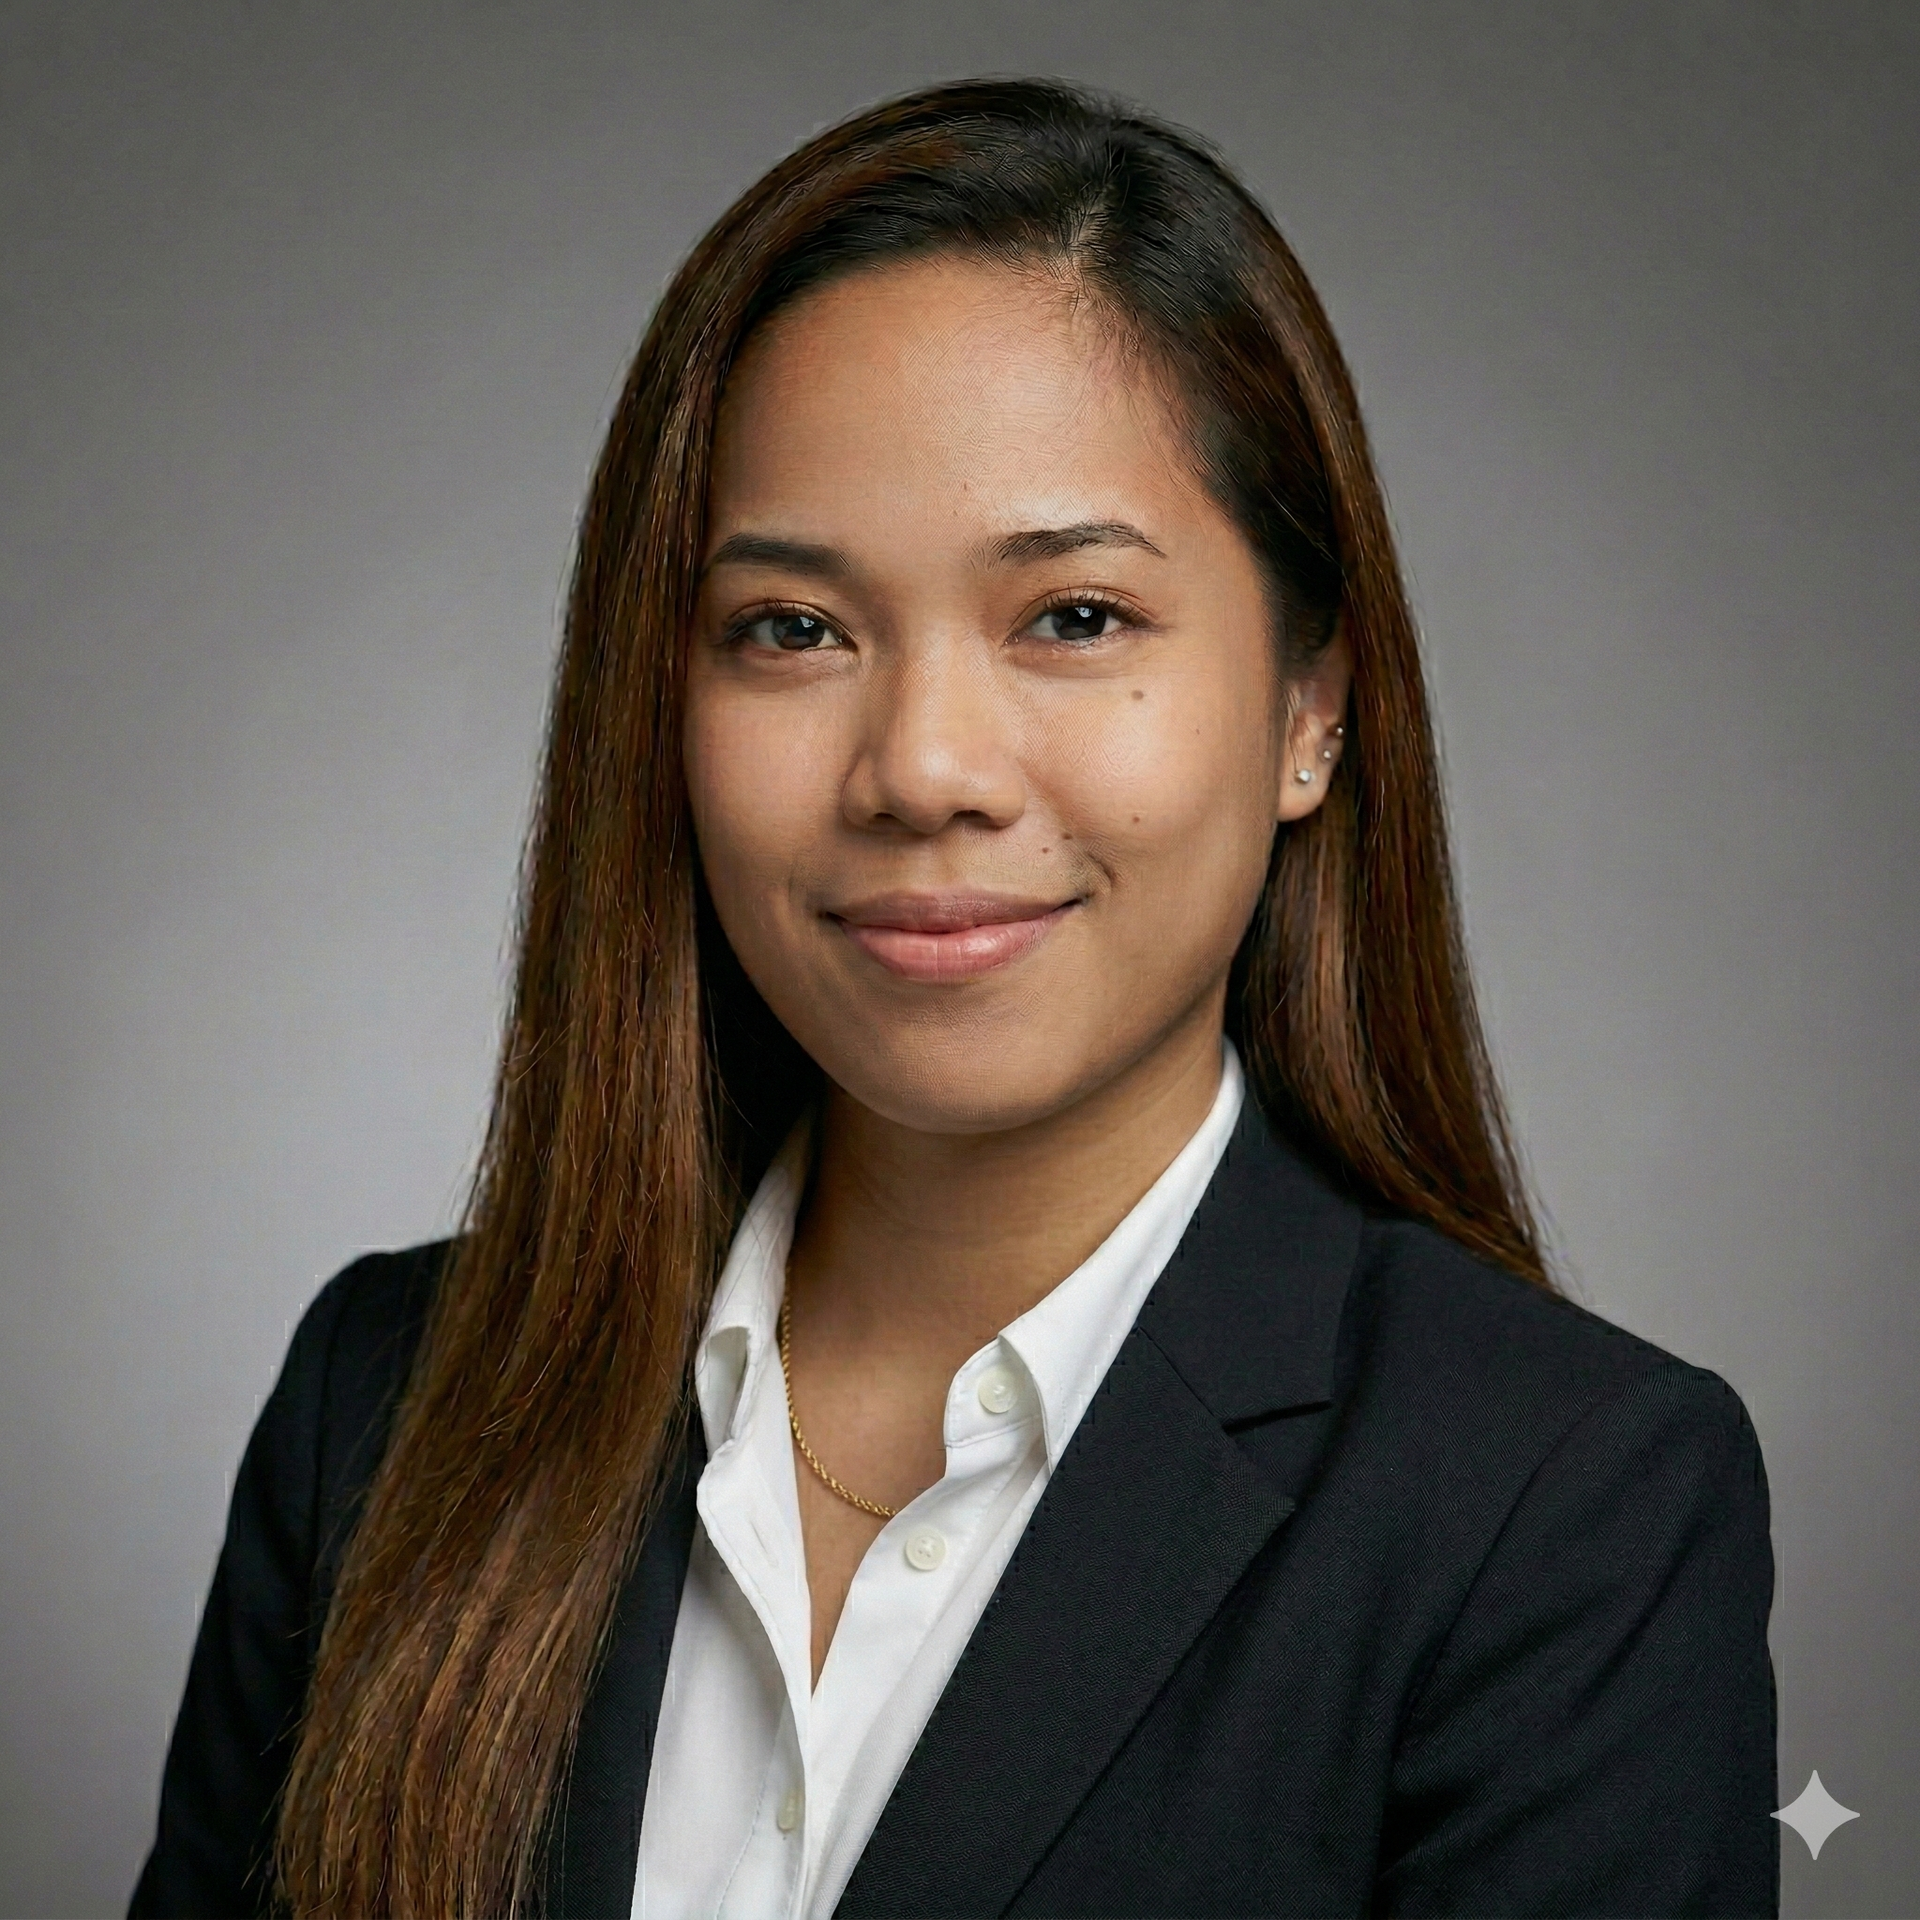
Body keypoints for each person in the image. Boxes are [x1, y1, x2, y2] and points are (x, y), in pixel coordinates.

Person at [129, 78, 1777, 1920]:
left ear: (1312, 709)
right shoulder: (387, 1401)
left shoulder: (1562, 1506)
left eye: (1074, 617)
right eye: (793, 629)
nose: (922, 767)